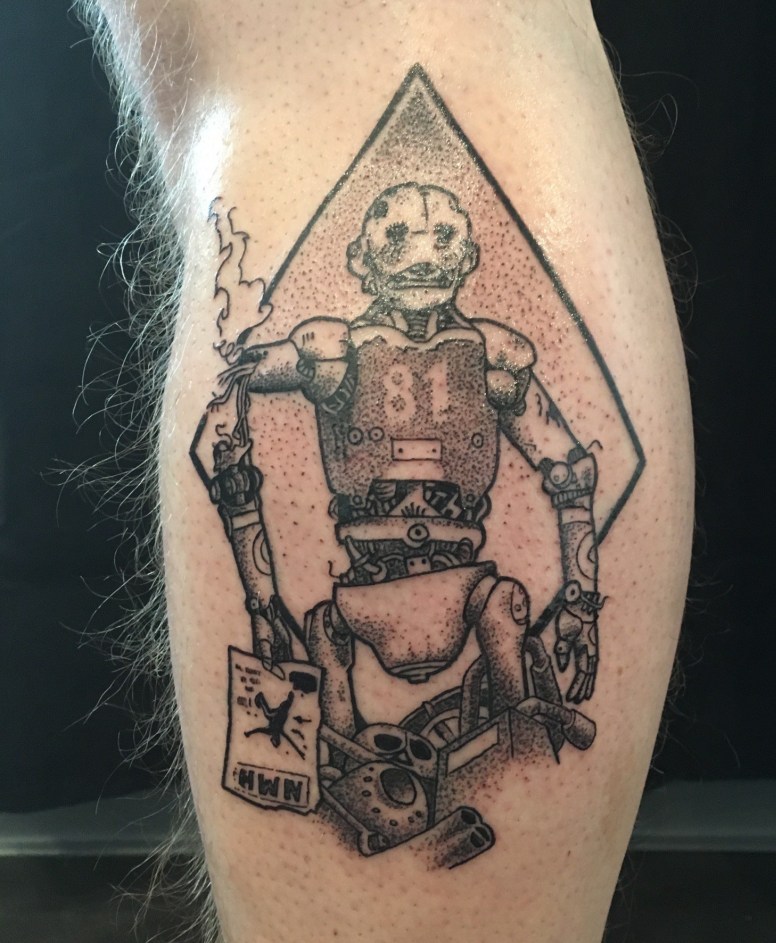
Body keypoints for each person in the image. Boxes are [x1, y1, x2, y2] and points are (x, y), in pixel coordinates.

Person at [82, 2, 693, 941]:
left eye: (443, 240)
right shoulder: (330, 351)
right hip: (362, 597)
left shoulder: (495, 358)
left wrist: (578, 595)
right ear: (362, 258)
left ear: (471, 256)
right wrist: (256, 561)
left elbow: (571, 469)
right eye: (399, 239)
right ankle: (359, 771)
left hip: (469, 589)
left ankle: (509, 758)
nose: (423, 258)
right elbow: (244, 382)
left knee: (362, 23)